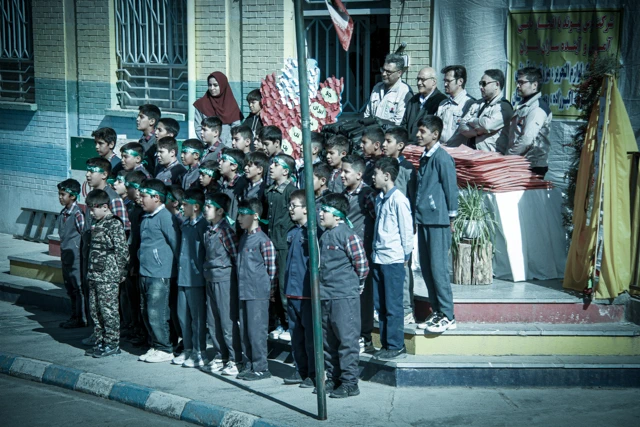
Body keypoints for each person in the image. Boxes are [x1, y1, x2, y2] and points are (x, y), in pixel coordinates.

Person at [318, 193, 369, 398]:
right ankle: (334, 377)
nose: (320, 214)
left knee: (347, 339)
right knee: (328, 341)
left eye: (325, 211)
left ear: (337, 215)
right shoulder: (324, 236)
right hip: (325, 295)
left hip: (344, 296)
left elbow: (362, 266)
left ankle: (350, 382)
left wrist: (354, 285)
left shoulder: (348, 236)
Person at [414, 116, 458, 333]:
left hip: (438, 221)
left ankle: (448, 315)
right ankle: (438, 311)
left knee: (438, 269)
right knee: (427, 268)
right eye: (418, 131)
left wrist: (451, 218)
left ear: (435, 134)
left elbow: (451, 188)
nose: (418, 135)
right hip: (424, 219)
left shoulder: (442, 158)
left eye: (423, 131)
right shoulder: (425, 156)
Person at [370, 157, 413, 359]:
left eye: (375, 174)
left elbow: (406, 230)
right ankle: (386, 343)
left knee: (393, 305)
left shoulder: (399, 200)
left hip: (393, 260)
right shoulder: (380, 199)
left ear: (387, 176)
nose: (373, 177)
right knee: (381, 305)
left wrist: (405, 255)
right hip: (379, 258)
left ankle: (396, 344)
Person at [137, 179, 180, 363]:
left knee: (158, 312)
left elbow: (176, 244)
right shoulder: (146, 217)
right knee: (146, 311)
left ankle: (165, 348)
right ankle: (155, 344)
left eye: (144, 196)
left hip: (160, 274)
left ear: (156, 197)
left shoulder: (165, 217)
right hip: (145, 272)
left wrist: (178, 270)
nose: (140, 199)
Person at [83, 189, 129, 358]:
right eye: (89, 208)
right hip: (94, 274)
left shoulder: (113, 224)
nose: (91, 212)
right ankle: (100, 341)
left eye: (93, 208)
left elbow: (122, 250)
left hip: (108, 275)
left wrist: (121, 271)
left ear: (104, 206)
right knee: (95, 311)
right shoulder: (98, 223)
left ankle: (112, 343)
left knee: (109, 311)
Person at [236, 198, 276, 381]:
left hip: (257, 293)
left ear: (255, 216)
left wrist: (268, 289)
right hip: (244, 291)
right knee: (245, 331)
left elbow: (271, 269)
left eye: (242, 214)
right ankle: (249, 364)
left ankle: (261, 367)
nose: (239, 218)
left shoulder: (263, 240)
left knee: (256, 331)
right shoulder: (244, 238)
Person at [340, 155, 376, 354]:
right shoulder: (343, 195)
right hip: (344, 254)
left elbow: (375, 219)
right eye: (342, 171)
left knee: (364, 296)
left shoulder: (367, 195)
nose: (342, 175)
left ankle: (365, 336)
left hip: (362, 252)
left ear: (359, 174)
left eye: (346, 172)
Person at [202, 193, 241, 376]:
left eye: (209, 207)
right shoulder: (208, 231)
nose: (205, 209)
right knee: (213, 321)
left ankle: (235, 358)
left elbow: (235, 257)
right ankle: (220, 355)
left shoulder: (226, 232)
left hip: (224, 280)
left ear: (220, 211)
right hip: (210, 277)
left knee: (227, 321)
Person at [382, 126, 417, 324]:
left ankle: (406, 308)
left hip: (401, 227)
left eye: (388, 141)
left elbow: (412, 198)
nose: (384, 145)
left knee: (403, 269)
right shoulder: (383, 166)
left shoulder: (407, 169)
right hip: (386, 229)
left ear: (400, 145)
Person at [172, 189, 209, 368]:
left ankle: (199, 351)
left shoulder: (203, 226)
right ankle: (187, 348)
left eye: (185, 204)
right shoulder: (185, 224)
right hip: (183, 276)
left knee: (197, 318)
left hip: (196, 279)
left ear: (196, 207)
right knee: (183, 317)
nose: (182, 207)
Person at [282, 189, 315, 388]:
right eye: (289, 205)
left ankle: (313, 373)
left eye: (294, 205)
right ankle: (300, 369)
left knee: (310, 337)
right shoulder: (292, 232)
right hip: (292, 291)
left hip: (307, 294)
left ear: (306, 208)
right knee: (296, 336)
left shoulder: (312, 232)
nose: (290, 209)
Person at [266, 154, 297, 340]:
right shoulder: (270, 191)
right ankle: (280, 322)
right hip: (271, 243)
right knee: (274, 286)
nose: (271, 167)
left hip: (284, 244)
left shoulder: (291, 191)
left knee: (285, 286)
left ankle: (290, 325)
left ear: (286, 171)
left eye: (276, 165)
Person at [507, 67, 552, 178]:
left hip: (531, 165)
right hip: (520, 162)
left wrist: (508, 157)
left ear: (534, 85)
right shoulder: (525, 104)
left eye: (522, 82)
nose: (518, 86)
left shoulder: (537, 108)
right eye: (517, 82)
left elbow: (527, 140)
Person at [458, 69, 513, 153]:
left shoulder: (503, 106)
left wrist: (471, 121)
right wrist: (477, 132)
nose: (480, 87)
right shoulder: (477, 104)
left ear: (496, 85)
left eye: (484, 84)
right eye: (480, 83)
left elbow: (487, 126)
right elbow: (462, 126)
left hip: (491, 156)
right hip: (472, 153)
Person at [56, 179, 86, 329]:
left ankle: (81, 318)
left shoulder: (77, 214)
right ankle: (74, 315)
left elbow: (84, 235)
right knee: (69, 288)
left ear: (73, 196)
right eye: (59, 194)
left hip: (76, 258)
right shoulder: (63, 213)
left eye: (63, 194)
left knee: (78, 288)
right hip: (66, 257)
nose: (60, 197)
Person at [194, 71, 243, 146]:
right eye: (210, 85)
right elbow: (198, 127)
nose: (212, 88)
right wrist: (209, 143)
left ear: (222, 85)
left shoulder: (231, 105)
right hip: (208, 146)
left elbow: (236, 128)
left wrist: (227, 146)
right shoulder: (201, 104)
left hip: (228, 147)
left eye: (215, 85)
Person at [401, 67, 448, 143]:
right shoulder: (413, 100)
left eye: (423, 79)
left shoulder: (441, 102)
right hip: (408, 146)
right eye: (418, 79)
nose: (419, 83)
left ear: (433, 82)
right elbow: (403, 125)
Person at [364, 53, 413, 126]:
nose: (383, 74)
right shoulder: (377, 87)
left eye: (388, 72)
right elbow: (367, 114)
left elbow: (399, 122)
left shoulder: (405, 92)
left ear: (399, 73)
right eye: (383, 70)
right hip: (372, 131)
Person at [436, 65, 475, 146]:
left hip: (459, 151)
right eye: (444, 81)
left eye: (448, 81)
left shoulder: (470, 104)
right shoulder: (443, 104)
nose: (445, 84)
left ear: (460, 81)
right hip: (440, 149)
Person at [218, 148, 248, 223]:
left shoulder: (240, 186)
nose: (220, 163)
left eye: (224, 161)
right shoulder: (222, 184)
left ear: (234, 166)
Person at [137, 104, 161, 176]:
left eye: (141, 117)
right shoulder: (143, 140)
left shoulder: (155, 142)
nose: (137, 119)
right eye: (138, 116)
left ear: (152, 121)